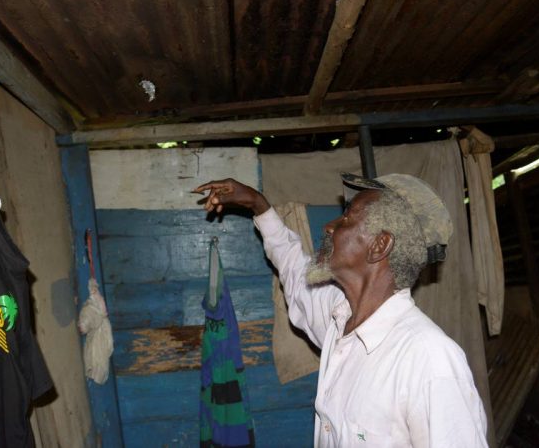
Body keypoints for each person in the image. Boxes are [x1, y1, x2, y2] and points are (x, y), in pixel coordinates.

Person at [194, 173, 487, 447]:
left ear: (379, 245)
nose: (329, 226)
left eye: (347, 217)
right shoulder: (340, 318)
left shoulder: (428, 358)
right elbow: (294, 270)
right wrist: (259, 205)